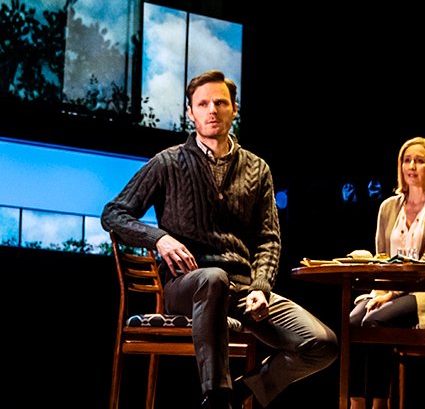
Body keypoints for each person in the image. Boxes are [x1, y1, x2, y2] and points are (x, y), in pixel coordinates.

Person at [102, 70, 338, 409]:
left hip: (243, 291)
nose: (212, 109)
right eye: (203, 104)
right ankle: (217, 396)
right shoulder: (167, 162)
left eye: (220, 102)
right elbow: (113, 214)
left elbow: (269, 239)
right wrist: (159, 239)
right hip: (188, 286)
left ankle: (246, 390)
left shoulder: (257, 169)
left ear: (234, 109)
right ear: (191, 113)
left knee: (322, 344)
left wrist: (260, 287)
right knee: (213, 278)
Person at [347, 136, 425, 409]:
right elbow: (382, 256)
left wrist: (393, 294)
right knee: (351, 322)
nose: (412, 166)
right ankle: (355, 401)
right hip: (386, 288)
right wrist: (384, 290)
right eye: (407, 160)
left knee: (375, 322)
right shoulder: (388, 206)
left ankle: (380, 403)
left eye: (419, 161)